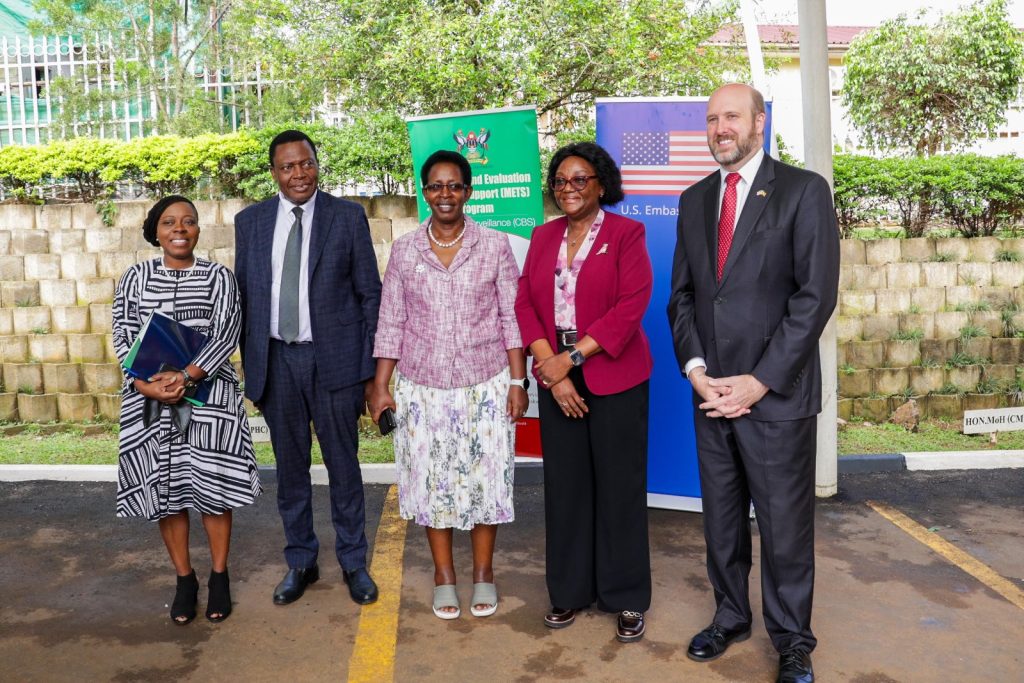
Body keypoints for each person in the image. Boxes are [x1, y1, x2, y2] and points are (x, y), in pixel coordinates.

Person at [668, 83, 840, 683]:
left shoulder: (803, 191)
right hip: (712, 397)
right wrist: (697, 373)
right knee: (720, 521)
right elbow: (683, 298)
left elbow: (814, 298)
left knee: (785, 527)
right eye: (712, 118)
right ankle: (730, 615)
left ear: (759, 123)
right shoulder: (693, 202)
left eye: (732, 116)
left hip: (776, 398)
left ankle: (793, 641)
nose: (721, 128)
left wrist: (760, 381)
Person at [368, 150, 527, 620]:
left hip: (485, 385)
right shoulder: (404, 249)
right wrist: (381, 386)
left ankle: (482, 575)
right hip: (422, 387)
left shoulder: (495, 245)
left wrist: (518, 381)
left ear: (468, 191)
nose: (445, 195)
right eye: (436, 186)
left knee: (483, 482)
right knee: (434, 484)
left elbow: (511, 319)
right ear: (424, 191)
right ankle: (443, 577)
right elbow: (390, 321)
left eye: (454, 186)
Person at [233, 130, 382, 607]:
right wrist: (250, 363)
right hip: (276, 361)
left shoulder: (347, 217)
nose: (298, 174)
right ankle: (301, 560)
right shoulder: (250, 223)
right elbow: (244, 298)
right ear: (273, 172)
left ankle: (354, 562)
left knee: (344, 467)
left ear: (318, 164)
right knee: (291, 471)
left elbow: (369, 295)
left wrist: (370, 371)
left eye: (306, 164)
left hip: (334, 363)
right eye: (287, 167)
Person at [515, 141, 653, 643]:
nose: (568, 188)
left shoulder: (625, 233)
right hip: (558, 379)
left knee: (619, 490)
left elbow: (630, 306)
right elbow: (525, 303)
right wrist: (552, 373)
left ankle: (627, 597)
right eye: (560, 180)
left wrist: (568, 361)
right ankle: (568, 591)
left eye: (579, 179)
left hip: (614, 376)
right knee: (567, 489)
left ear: (600, 184)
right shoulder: (542, 235)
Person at [113, 195, 262, 625]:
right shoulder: (134, 278)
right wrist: (143, 384)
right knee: (165, 493)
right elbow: (122, 334)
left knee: (213, 491)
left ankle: (219, 576)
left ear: (199, 230)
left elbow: (227, 329)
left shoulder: (219, 277)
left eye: (189, 222)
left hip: (209, 400)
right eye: (170, 222)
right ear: (155, 230)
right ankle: (184, 579)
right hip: (148, 402)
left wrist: (188, 377)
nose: (180, 229)